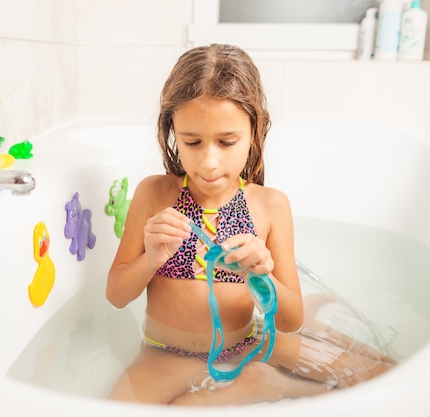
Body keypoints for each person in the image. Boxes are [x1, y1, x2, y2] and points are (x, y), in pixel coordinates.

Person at [105, 44, 394, 406]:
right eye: (192, 142)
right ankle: (265, 385)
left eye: (227, 142)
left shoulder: (270, 206)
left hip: (251, 342)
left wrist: (261, 275)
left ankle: (262, 379)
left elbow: (290, 319)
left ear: (255, 130)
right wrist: (150, 258)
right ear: (172, 131)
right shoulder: (154, 194)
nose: (209, 162)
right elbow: (116, 296)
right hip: (166, 354)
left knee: (384, 375)